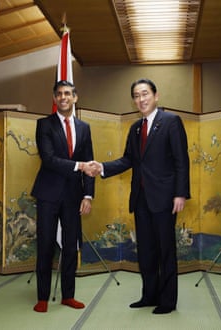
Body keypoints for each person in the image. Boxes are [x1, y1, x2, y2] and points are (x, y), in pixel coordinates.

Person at [88, 78, 190, 314]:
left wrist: (180, 193)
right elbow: (128, 160)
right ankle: (149, 295)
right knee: (145, 251)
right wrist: (101, 167)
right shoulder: (135, 128)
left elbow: (181, 161)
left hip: (165, 198)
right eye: (136, 95)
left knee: (165, 250)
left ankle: (167, 301)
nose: (141, 99)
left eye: (145, 94)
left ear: (156, 96)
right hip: (141, 199)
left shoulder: (171, 122)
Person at [31, 80, 95, 313]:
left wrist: (88, 195)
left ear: (75, 97)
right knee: (46, 246)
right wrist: (78, 165)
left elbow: (90, 163)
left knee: (70, 247)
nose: (63, 97)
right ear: (54, 99)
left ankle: (68, 295)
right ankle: (43, 297)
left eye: (67, 93)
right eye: (59, 94)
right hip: (47, 194)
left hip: (73, 197)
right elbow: (48, 159)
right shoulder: (44, 125)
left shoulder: (85, 128)